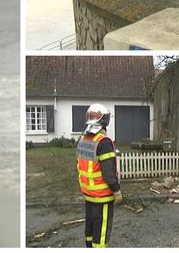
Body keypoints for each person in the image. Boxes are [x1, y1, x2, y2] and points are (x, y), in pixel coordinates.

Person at [76, 103, 122, 248]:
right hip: (102, 196)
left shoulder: (83, 140)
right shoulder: (103, 142)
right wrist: (117, 191)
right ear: (104, 121)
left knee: (90, 228)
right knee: (101, 233)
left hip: (88, 194)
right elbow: (108, 172)